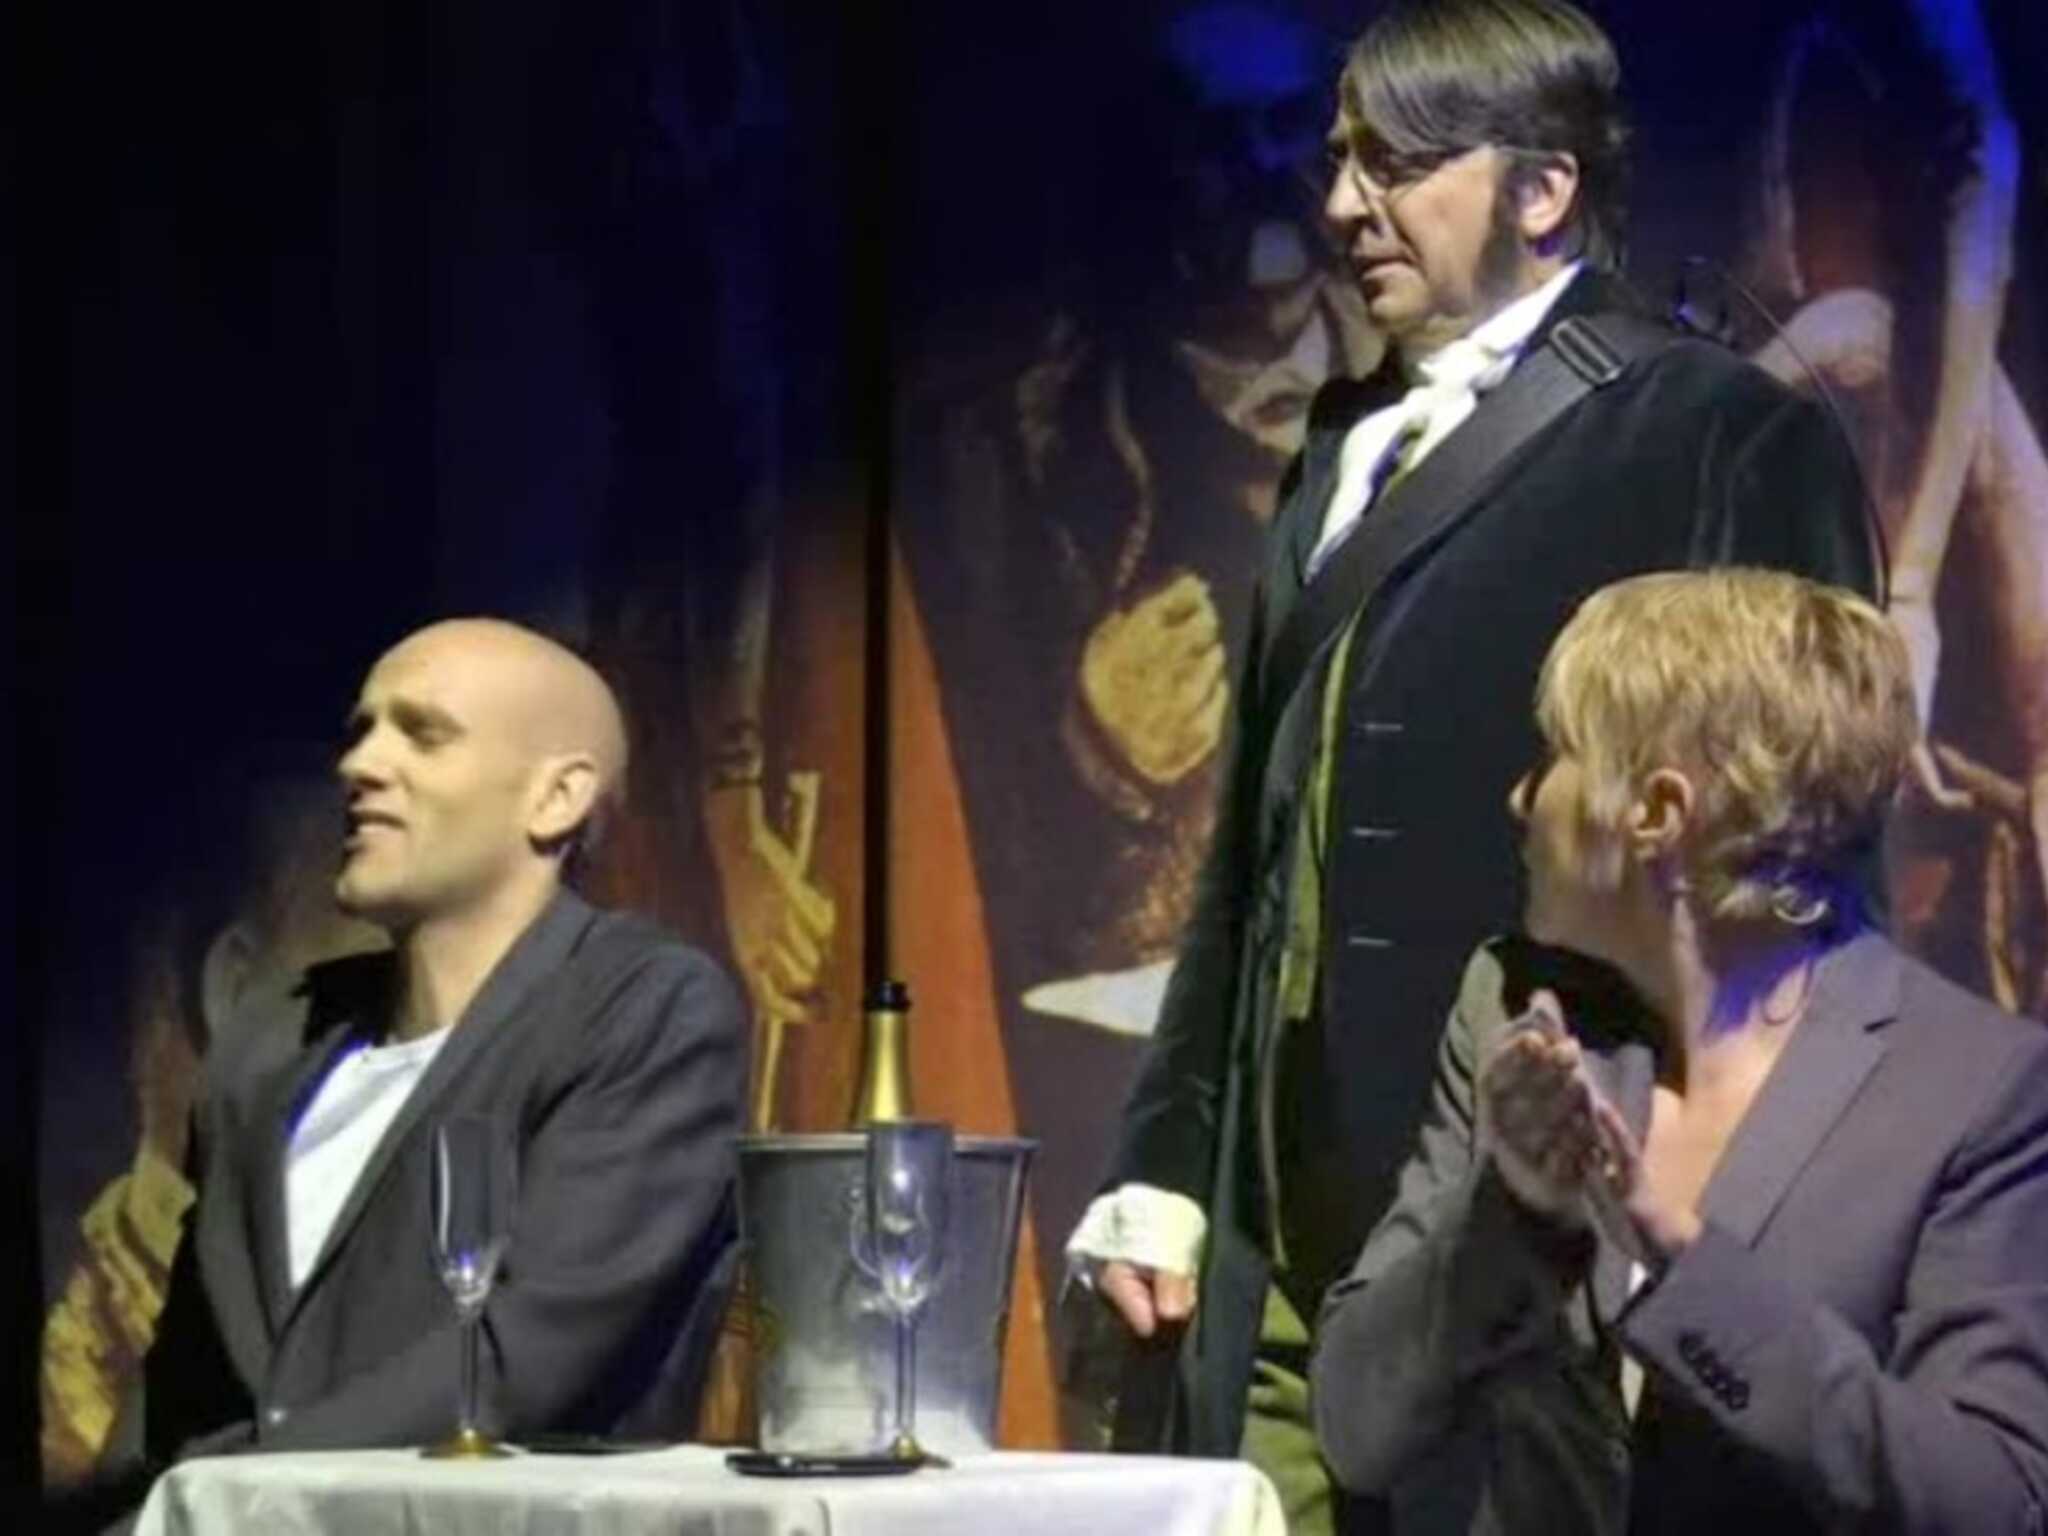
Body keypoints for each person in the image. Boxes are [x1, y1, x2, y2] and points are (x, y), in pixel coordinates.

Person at [1065, 2, 1875, 1529]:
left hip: (1530, 1219)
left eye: (1395, 165)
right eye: (1340, 161)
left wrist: (1711, 1213)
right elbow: (1254, 854)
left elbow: (1809, 865)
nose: (1341, 205)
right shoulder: (1341, 444)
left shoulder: (1714, 430)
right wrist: (1168, 1161)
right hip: (1278, 1227)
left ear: (1543, 187)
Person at [1312, 568, 2048, 1531]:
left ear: (1658, 813)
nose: (1520, 796)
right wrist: (1516, 1217)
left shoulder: (1974, 1089)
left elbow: (1991, 1501)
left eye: (1557, 754)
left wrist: (1684, 1261)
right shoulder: (1519, 1012)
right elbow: (1356, 1425)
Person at [133, 619, 745, 1476]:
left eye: (423, 734)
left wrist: (232, 1491)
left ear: (557, 797)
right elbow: (181, 1381)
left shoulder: (642, 1009)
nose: (360, 765)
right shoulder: (276, 1035)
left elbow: (524, 1358)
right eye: (360, 732)